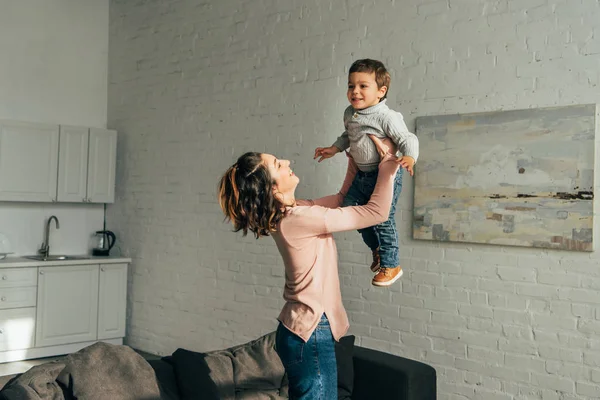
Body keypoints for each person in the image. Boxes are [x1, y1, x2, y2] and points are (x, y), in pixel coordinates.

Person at [218, 144, 399, 399]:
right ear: (272, 187)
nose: (287, 160)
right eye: (278, 165)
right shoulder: (298, 219)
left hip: (302, 329)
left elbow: (340, 201)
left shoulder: (292, 213)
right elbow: (376, 212)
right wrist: (390, 162)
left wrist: (355, 161)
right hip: (311, 331)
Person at [314, 58, 419, 287]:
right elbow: (348, 136)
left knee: (382, 219)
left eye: (363, 86)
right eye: (351, 86)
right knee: (352, 212)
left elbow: (406, 138)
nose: (355, 91)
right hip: (362, 175)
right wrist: (334, 148)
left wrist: (409, 156)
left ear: (381, 92)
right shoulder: (350, 113)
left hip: (384, 175)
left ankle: (392, 264)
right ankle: (378, 250)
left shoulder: (386, 116)